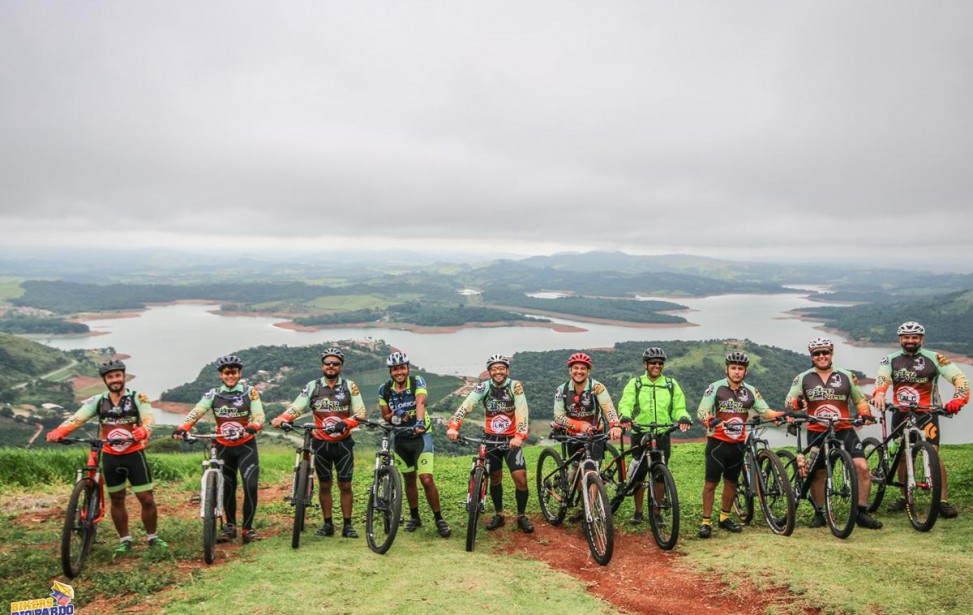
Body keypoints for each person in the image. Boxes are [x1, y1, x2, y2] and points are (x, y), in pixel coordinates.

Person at [46, 359, 166, 554]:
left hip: (134, 454)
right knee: (117, 498)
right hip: (110, 456)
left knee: (146, 498)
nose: (115, 379)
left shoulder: (138, 397)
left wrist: (144, 431)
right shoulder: (98, 401)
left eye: (118, 375)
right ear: (105, 380)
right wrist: (59, 431)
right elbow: (78, 418)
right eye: (110, 377)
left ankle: (152, 537)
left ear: (124, 377)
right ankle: (125, 540)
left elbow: (149, 418)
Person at [870, 321, 970, 518]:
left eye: (914, 337)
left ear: (921, 339)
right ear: (900, 339)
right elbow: (883, 379)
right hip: (901, 412)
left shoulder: (935, 358)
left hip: (927, 412)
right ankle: (903, 496)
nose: (910, 340)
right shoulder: (889, 359)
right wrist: (880, 393)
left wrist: (959, 398)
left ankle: (942, 500)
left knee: (933, 453)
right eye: (906, 337)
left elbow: (960, 378)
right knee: (901, 455)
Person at [784, 337, 882, 529]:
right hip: (817, 431)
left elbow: (859, 399)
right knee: (818, 473)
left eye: (825, 352)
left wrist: (865, 413)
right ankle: (819, 512)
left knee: (862, 467)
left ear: (831, 353)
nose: (822, 356)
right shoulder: (803, 377)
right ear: (811, 356)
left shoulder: (847, 375)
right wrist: (798, 403)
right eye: (817, 353)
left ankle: (861, 512)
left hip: (843, 429)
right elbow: (789, 401)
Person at [271, 347, 366, 538]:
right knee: (324, 484)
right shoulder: (313, 386)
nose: (331, 366)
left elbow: (360, 413)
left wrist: (345, 423)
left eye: (335, 363)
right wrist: (283, 418)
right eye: (327, 363)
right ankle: (328, 524)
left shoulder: (349, 386)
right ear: (322, 366)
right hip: (320, 442)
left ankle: (348, 525)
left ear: (341, 367)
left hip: (343, 443)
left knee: (345, 485)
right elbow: (297, 407)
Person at [173, 354, 265, 544]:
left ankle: (247, 529)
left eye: (234, 372)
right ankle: (230, 526)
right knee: (229, 487)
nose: (230, 375)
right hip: (223, 445)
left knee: (251, 486)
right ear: (220, 375)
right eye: (226, 372)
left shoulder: (250, 392)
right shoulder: (213, 394)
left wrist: (252, 427)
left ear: (239, 374)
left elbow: (259, 416)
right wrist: (184, 427)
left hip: (245, 446)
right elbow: (197, 411)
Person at [696, 351, 783, 538]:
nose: (736, 372)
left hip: (737, 444)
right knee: (711, 483)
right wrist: (710, 419)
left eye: (740, 369)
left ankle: (725, 517)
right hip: (717, 443)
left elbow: (764, 410)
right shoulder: (715, 388)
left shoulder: (751, 390)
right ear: (726, 369)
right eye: (733, 368)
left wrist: (776, 415)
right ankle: (705, 522)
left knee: (731, 483)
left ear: (746, 371)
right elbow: (702, 411)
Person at [446, 353, 534, 533]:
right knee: (495, 479)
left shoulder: (514, 386)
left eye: (501, 368)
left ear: (507, 370)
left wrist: (520, 435)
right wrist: (454, 426)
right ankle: (499, 514)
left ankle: (521, 516)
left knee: (520, 478)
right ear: (489, 372)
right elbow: (467, 405)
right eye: (494, 369)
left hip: (511, 440)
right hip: (491, 439)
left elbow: (522, 411)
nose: (498, 372)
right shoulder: (484, 387)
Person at [378, 351, 451, 538]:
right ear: (390, 372)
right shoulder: (384, 389)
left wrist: (419, 422)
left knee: (426, 479)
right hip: (400, 437)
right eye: (395, 369)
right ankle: (415, 517)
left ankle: (439, 519)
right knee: (409, 479)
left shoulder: (417, 381)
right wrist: (398, 414)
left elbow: (421, 402)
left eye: (402, 368)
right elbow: (385, 415)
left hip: (421, 436)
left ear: (408, 368)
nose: (399, 372)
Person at [616, 347, 693, 525]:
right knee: (639, 474)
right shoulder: (636, 383)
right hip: (641, 432)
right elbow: (626, 403)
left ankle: (657, 511)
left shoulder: (670, 384)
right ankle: (638, 511)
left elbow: (679, 406)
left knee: (659, 473)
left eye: (660, 363)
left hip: (662, 433)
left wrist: (683, 417)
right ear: (645, 365)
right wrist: (625, 416)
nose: (657, 366)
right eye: (653, 363)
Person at [553, 352, 622, 522]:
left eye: (583, 368)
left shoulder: (597, 387)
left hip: (594, 435)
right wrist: (579, 425)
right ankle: (584, 504)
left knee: (592, 471)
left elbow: (608, 408)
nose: (579, 371)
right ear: (570, 371)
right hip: (573, 436)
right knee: (577, 471)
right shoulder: (561, 390)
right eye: (575, 368)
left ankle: (588, 513)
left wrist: (615, 425)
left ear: (588, 371)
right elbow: (558, 416)